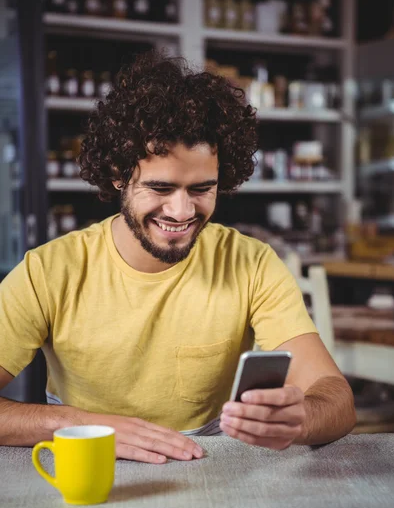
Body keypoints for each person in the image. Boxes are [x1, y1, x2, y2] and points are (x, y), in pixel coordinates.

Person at [0, 51, 356, 463]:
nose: (182, 212)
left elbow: (337, 400)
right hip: (87, 470)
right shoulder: (48, 271)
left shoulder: (251, 263)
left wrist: (302, 418)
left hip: (211, 474)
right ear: (119, 173)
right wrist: (82, 424)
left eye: (202, 189)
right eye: (161, 188)